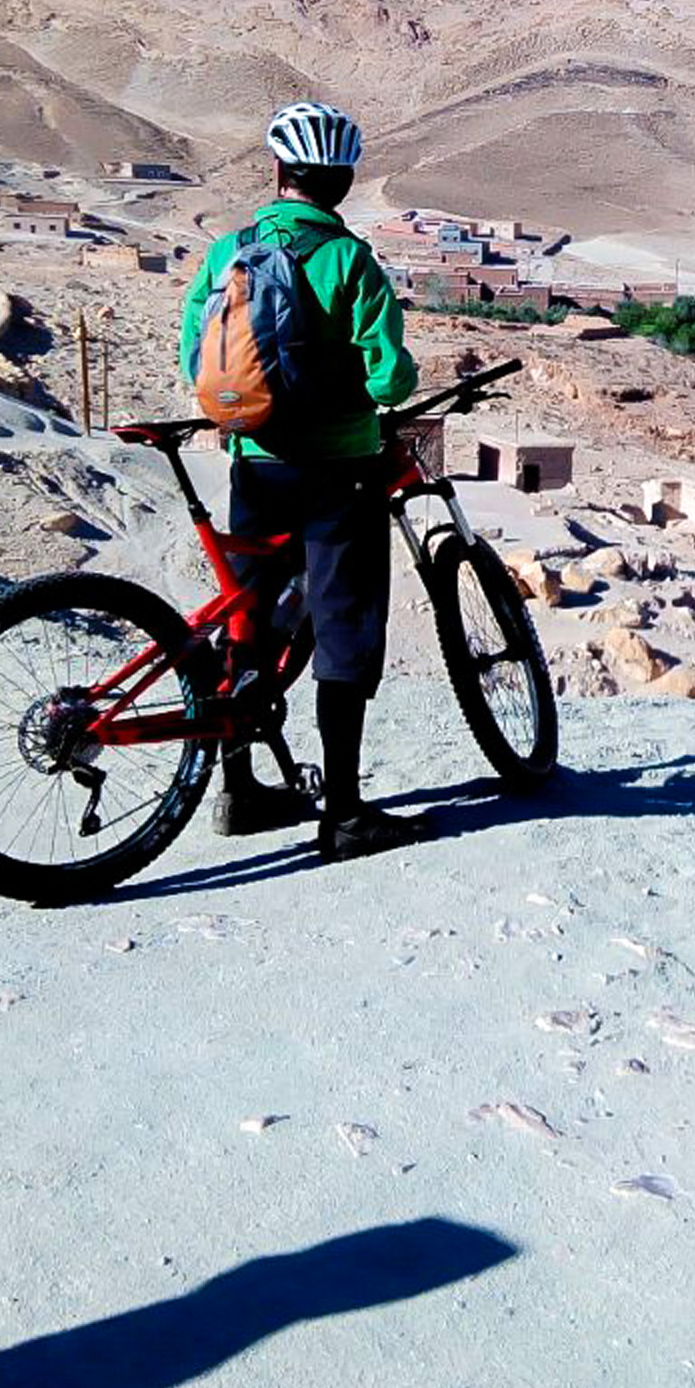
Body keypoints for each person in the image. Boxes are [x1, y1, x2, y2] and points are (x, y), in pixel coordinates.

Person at [177, 101, 425, 861]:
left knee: (250, 616)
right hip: (339, 470)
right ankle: (345, 813)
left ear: (278, 173)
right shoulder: (350, 261)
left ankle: (240, 788)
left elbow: (196, 354)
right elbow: (389, 376)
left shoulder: (229, 253)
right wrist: (379, 383)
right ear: (343, 184)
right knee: (344, 627)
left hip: (254, 463)